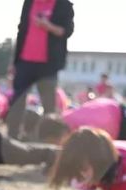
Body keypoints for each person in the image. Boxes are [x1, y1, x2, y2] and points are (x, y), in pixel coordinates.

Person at [7, 0, 75, 138]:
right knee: (17, 101)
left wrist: (47, 26)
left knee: (49, 105)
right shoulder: (29, 2)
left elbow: (67, 31)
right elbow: (21, 30)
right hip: (25, 60)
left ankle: (49, 139)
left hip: (48, 64)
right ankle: (12, 137)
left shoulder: (64, 5)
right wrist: (15, 61)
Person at [36, 97, 126, 146]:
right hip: (113, 126)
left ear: (61, 132)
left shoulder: (81, 130)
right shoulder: (64, 121)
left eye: (55, 141)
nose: (57, 145)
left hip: (123, 117)